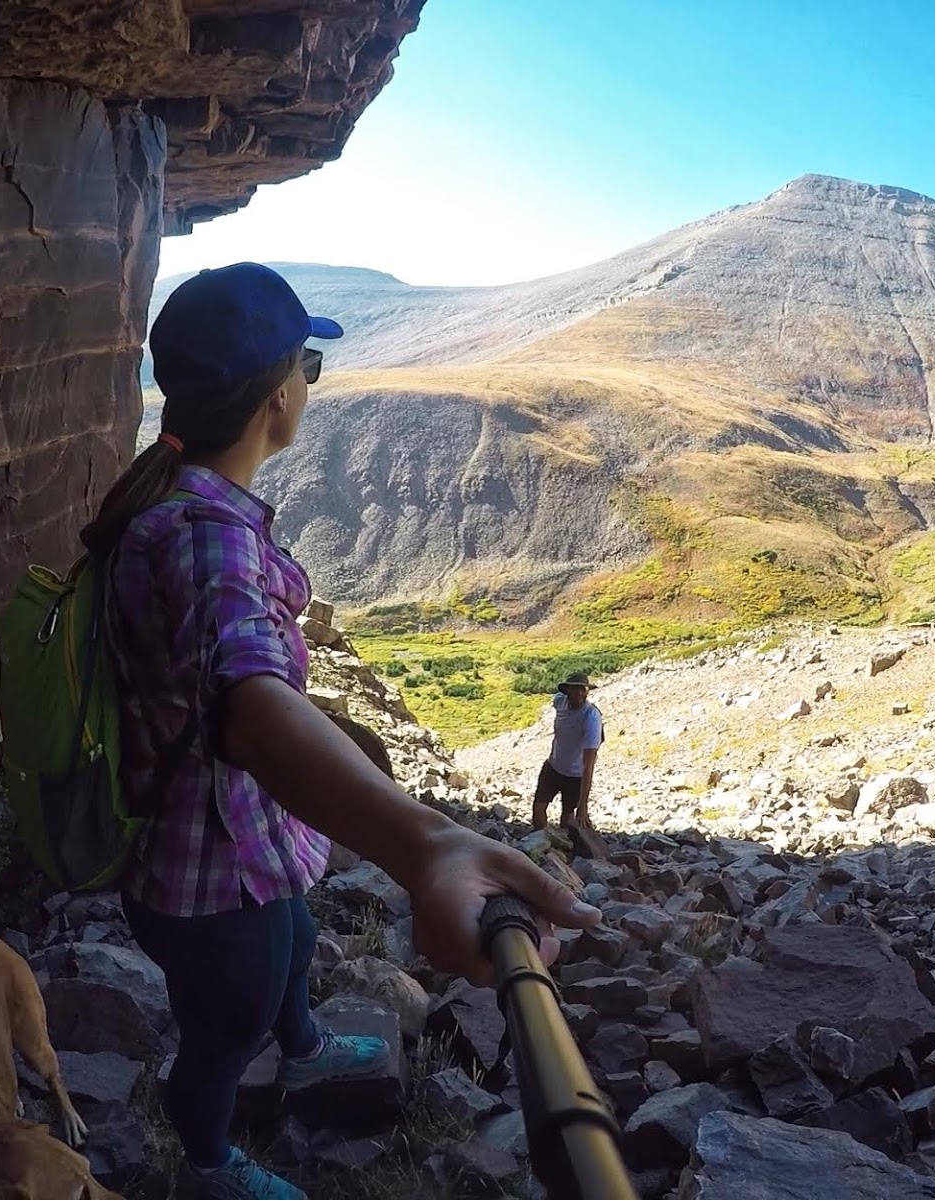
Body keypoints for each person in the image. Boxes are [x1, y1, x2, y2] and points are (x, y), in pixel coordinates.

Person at [80, 263, 601, 1200]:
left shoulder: (181, 507)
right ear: (279, 398)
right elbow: (245, 698)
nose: (311, 385)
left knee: (294, 943)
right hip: (202, 868)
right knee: (225, 1027)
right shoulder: (208, 535)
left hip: (249, 844)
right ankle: (205, 1164)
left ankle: (307, 1049)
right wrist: (429, 844)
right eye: (309, 365)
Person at [531, 672, 603, 834]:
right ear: (567, 691)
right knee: (538, 807)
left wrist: (584, 806)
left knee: (568, 819)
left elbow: (588, 764)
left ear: (587, 692)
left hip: (576, 775)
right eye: (574, 689)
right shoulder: (560, 701)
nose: (578, 693)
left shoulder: (591, 717)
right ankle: (540, 843)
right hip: (553, 766)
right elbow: (554, 697)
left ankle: (565, 850)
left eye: (582, 690)